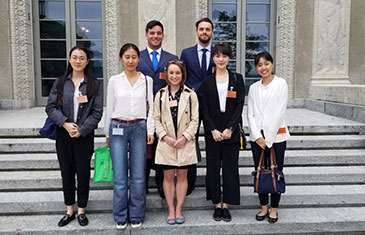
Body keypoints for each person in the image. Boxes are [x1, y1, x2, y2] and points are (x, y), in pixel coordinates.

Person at [46, 46, 103, 227]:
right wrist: (65, 123)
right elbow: (50, 107)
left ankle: (82, 210)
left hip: (84, 136)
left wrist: (82, 129)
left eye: (82, 58)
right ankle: (69, 209)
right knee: (67, 172)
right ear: (70, 60)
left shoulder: (94, 84)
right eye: (75, 57)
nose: (78, 61)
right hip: (64, 135)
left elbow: (97, 112)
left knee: (83, 172)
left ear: (87, 61)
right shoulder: (60, 83)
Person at [105, 43, 154, 230]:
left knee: (139, 176)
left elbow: (151, 108)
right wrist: (107, 133)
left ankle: (136, 214)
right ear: (121, 59)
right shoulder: (114, 81)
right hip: (118, 127)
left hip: (139, 128)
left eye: (134, 57)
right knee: (119, 176)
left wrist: (150, 130)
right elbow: (109, 107)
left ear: (138, 59)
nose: (131, 60)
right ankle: (119, 215)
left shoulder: (147, 80)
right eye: (127, 57)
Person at [200, 43, 245, 222]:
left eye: (224, 56)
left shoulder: (237, 78)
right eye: (217, 56)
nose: (221, 59)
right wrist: (212, 129)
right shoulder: (207, 81)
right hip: (213, 133)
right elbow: (204, 108)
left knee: (230, 168)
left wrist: (230, 128)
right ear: (213, 58)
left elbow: (240, 105)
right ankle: (216, 203)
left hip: (230, 132)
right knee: (212, 168)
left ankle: (226, 203)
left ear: (229, 58)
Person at [247, 51, 290, 224]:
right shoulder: (253, 88)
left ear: (272, 64)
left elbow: (280, 111)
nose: (263, 67)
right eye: (259, 65)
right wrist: (257, 136)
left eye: (266, 63)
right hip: (257, 138)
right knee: (260, 172)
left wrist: (269, 138)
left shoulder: (281, 84)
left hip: (276, 137)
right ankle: (263, 206)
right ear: (256, 68)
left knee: (276, 172)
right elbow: (250, 113)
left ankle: (274, 208)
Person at [154, 59, 199, 225]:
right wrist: (165, 137)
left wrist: (184, 137)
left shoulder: (191, 94)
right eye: (171, 73)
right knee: (167, 176)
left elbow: (195, 120)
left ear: (183, 75)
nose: (174, 76)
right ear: (167, 74)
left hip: (184, 142)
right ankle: (170, 209)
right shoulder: (160, 95)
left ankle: (179, 208)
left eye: (177, 73)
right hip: (166, 142)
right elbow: (156, 119)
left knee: (182, 175)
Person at [137, 20, 178, 197]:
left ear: (163, 35)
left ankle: (163, 187)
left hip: (165, 112)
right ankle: (143, 185)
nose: (155, 36)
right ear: (146, 35)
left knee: (162, 150)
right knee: (143, 150)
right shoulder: (137, 57)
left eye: (159, 33)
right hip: (142, 111)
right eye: (152, 33)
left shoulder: (171, 58)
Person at [180, 17, 215, 195]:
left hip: (212, 105)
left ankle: (212, 183)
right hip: (191, 103)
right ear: (196, 32)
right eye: (201, 29)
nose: (204, 32)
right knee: (189, 141)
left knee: (211, 143)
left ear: (212, 33)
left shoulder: (219, 53)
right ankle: (190, 182)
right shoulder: (186, 53)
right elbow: (181, 77)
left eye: (207, 29)